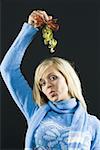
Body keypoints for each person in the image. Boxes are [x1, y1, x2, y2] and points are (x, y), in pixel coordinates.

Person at [0, 10, 100, 150]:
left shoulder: (93, 124)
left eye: (53, 78)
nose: (48, 86)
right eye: (42, 83)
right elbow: (8, 69)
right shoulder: (36, 111)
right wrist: (30, 29)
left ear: (68, 79)